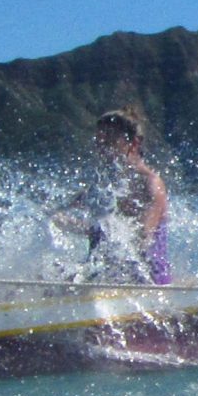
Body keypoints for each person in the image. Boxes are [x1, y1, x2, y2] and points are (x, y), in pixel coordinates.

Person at [63, 109, 172, 283]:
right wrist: (53, 218)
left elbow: (143, 238)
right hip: (104, 275)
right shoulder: (104, 184)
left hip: (145, 280)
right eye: (99, 139)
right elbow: (63, 212)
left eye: (110, 139)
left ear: (134, 143)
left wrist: (97, 231)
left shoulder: (151, 183)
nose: (102, 145)